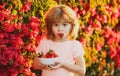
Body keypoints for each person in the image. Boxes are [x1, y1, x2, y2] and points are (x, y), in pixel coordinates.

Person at [32, 5, 86, 76]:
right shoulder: (45, 42)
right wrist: (45, 64)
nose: (60, 29)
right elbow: (34, 65)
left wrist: (62, 64)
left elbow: (82, 71)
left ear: (72, 26)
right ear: (50, 26)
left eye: (64, 25)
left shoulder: (74, 45)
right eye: (56, 25)